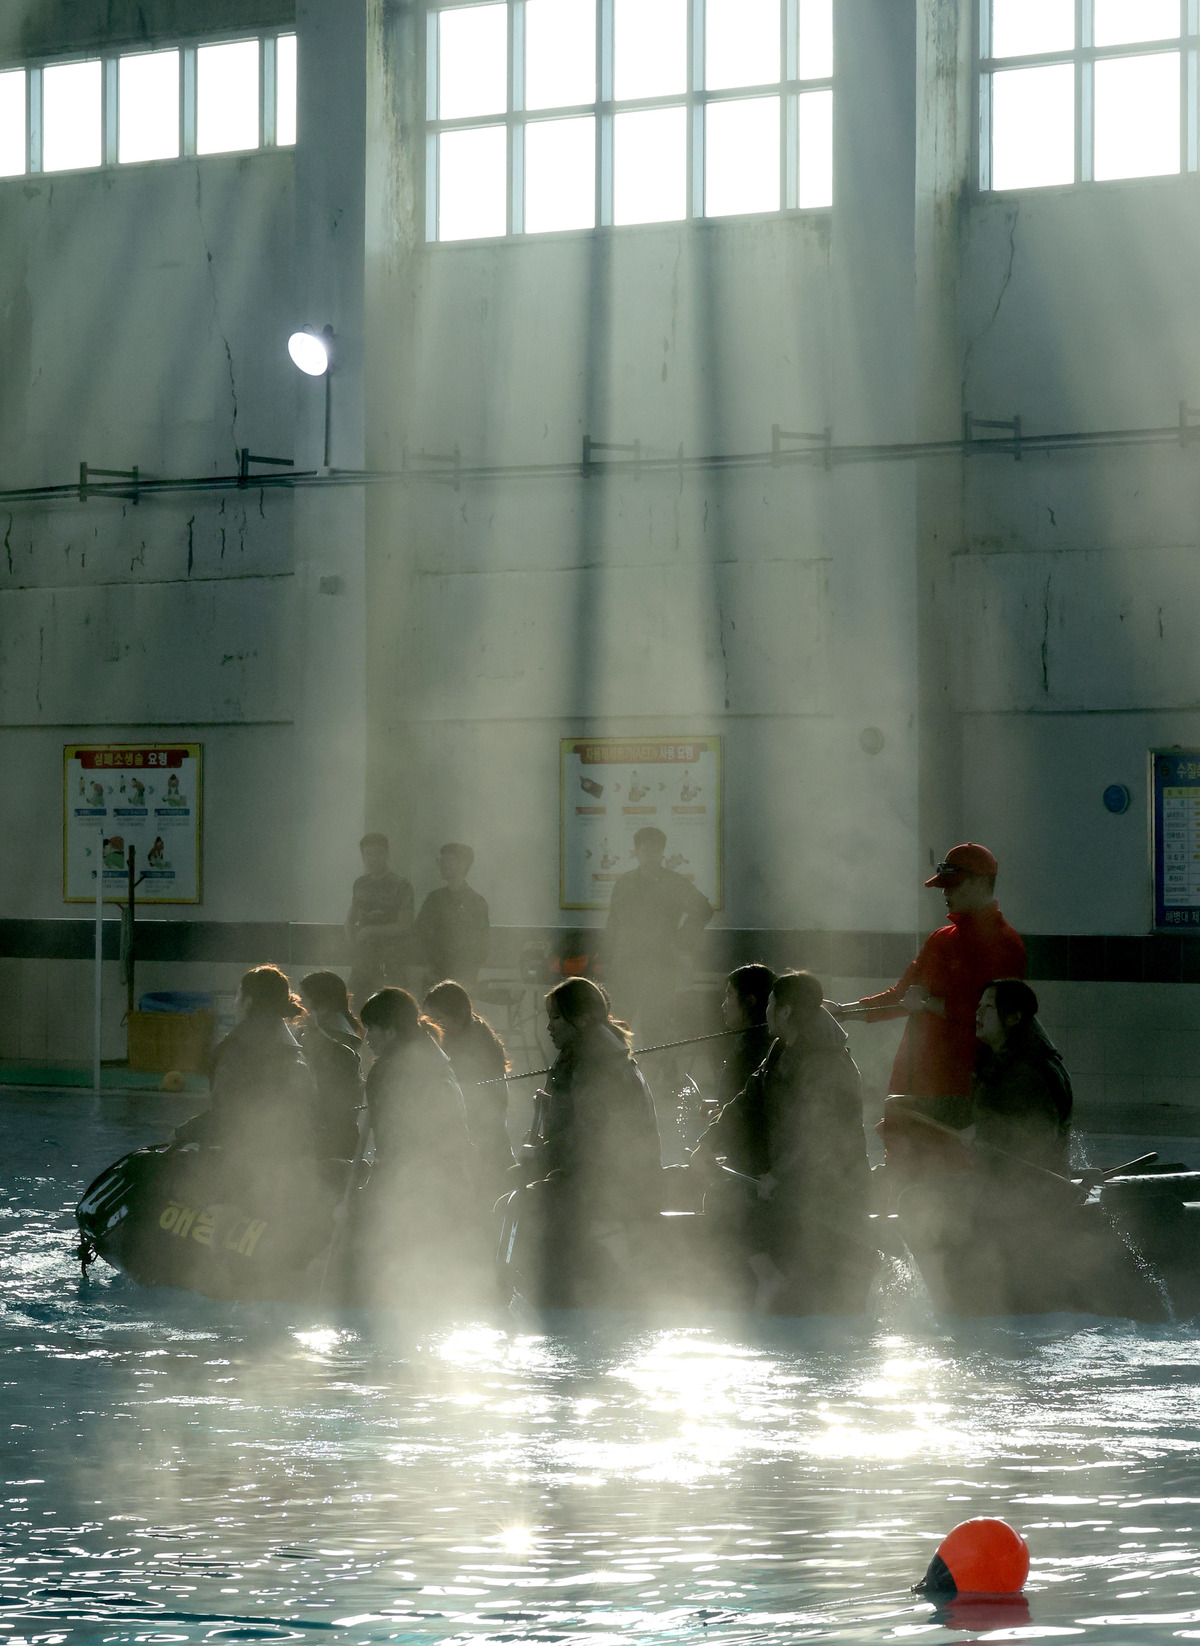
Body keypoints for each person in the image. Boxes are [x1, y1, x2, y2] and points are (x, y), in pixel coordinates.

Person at [693, 971, 873, 1312]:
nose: (766, 1011)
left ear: (786, 1011)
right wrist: (709, 1141)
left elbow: (822, 1136)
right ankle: (768, 1279)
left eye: (771, 1004)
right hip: (788, 1181)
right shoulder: (781, 1049)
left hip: (831, 1190)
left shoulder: (826, 1064)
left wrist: (780, 1176)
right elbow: (747, 1100)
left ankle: (773, 1281)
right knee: (720, 1196)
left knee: (728, 1202)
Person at [831, 843, 1026, 1116]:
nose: (945, 892)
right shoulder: (941, 940)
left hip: (969, 1088)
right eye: (943, 885)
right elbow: (900, 997)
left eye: (953, 884)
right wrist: (842, 1012)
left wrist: (928, 1003)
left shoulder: (1005, 944)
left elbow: (993, 1016)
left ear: (982, 883)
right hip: (916, 1079)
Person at [520, 978, 662, 1302]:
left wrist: (540, 1154)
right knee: (518, 1188)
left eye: (556, 1018)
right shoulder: (583, 1054)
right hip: (598, 1175)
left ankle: (560, 1294)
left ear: (581, 1019)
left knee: (529, 1202)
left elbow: (590, 1137)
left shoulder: (597, 1063)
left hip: (619, 1183)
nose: (548, 1027)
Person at [179, 965, 318, 1158]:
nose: (235, 1002)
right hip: (290, 1157)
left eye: (238, 995)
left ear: (248, 1002)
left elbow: (228, 1115)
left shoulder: (238, 1050)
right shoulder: (294, 1052)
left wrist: (183, 1133)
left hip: (243, 1158)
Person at [603, 825, 714, 1049]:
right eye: (644, 849)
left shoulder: (674, 883)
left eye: (655, 849)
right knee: (617, 1026)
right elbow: (613, 923)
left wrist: (681, 939)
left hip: (659, 966)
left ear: (662, 851)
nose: (649, 854)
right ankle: (616, 1069)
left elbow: (703, 909)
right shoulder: (624, 884)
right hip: (627, 965)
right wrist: (607, 959)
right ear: (636, 851)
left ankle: (660, 1071)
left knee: (656, 1029)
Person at [422, 979, 515, 1202]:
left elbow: (482, 1102)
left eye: (438, 1019)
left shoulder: (476, 1043)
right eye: (428, 1019)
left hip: (483, 1139)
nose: (431, 1025)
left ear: (460, 1014)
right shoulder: (459, 1034)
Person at [972, 978, 1072, 1176]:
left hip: (1031, 1183)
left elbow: (1038, 1139)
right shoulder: (999, 1061)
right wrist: (922, 1104)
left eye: (989, 1006)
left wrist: (981, 1131)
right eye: (979, 1005)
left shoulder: (1031, 1072)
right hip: (999, 1176)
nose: (978, 1012)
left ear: (1014, 1017)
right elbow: (979, 1109)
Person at [297, 971, 364, 1160]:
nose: (299, 1004)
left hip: (324, 1135)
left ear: (318, 999)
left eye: (303, 998)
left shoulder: (325, 1037)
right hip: (343, 1131)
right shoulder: (343, 1029)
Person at [345, 834, 414, 1007]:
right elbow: (351, 917)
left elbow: (404, 925)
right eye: (368, 854)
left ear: (386, 855)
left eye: (377, 853)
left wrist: (370, 931)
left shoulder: (400, 885)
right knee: (357, 1004)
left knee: (392, 1006)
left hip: (391, 959)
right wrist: (352, 942)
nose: (372, 859)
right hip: (364, 960)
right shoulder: (361, 884)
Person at [415, 843, 490, 987]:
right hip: (434, 975)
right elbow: (420, 933)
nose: (442, 865)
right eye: (440, 861)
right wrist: (427, 964)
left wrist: (467, 971)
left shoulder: (476, 903)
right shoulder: (434, 899)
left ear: (463, 864)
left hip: (463, 977)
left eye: (447, 860)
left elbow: (482, 945)